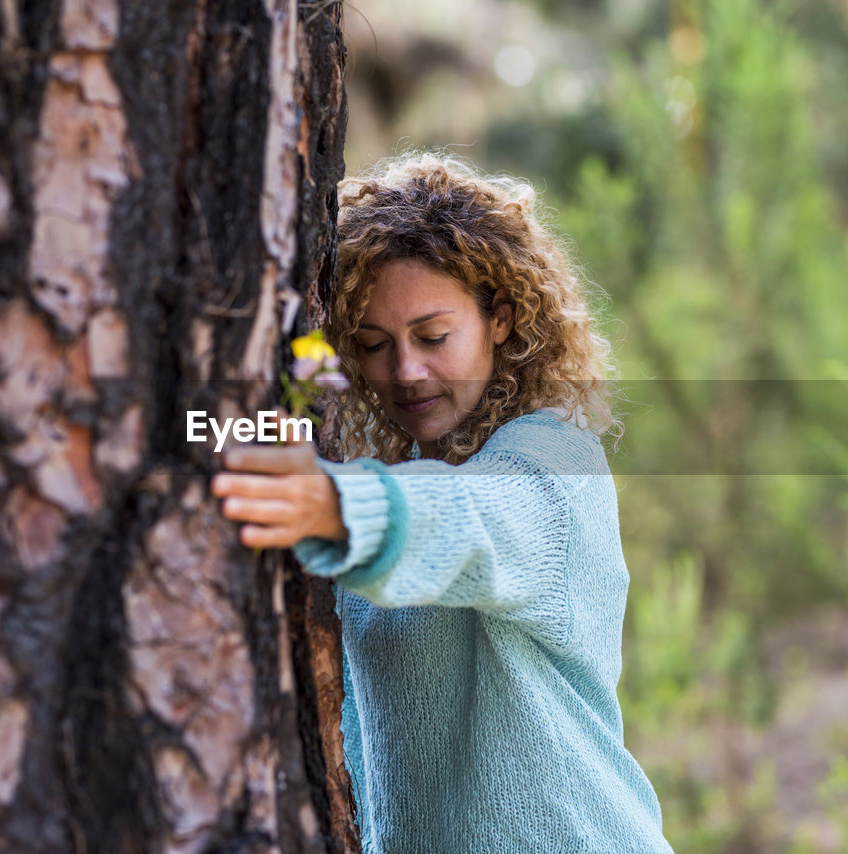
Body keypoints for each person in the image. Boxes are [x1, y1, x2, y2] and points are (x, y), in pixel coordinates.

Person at [211, 152, 674, 853]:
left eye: (432, 336)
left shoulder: (554, 462)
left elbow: (474, 521)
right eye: (373, 344)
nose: (405, 371)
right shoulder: (374, 483)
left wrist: (338, 506)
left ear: (502, 319)